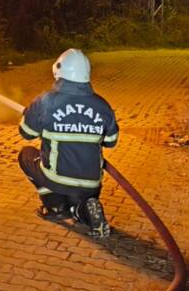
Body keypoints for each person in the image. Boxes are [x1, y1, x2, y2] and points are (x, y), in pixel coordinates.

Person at [18, 48, 118, 239]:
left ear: (59, 71)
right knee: (78, 207)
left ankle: (54, 206)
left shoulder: (45, 102)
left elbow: (26, 133)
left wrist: (30, 115)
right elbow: (111, 141)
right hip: (91, 183)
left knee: (26, 155)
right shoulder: (102, 105)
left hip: (57, 179)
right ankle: (85, 208)